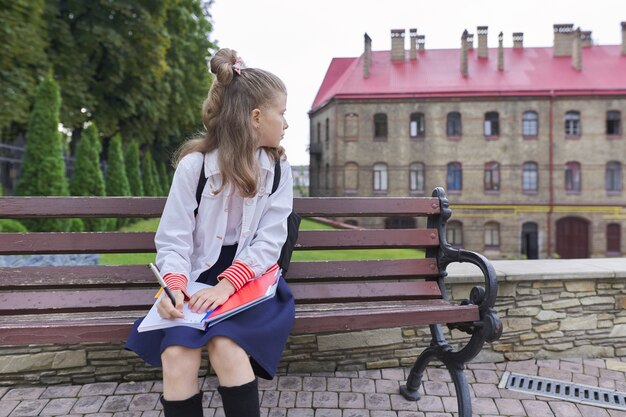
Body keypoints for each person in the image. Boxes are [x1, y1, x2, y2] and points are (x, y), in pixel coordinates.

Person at [124, 48, 295, 417]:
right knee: (176, 355)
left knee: (227, 348)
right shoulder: (194, 167)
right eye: (281, 113)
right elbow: (173, 239)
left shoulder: (278, 170)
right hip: (196, 278)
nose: (286, 123)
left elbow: (270, 241)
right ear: (255, 116)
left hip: (252, 281)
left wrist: (227, 286)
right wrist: (175, 286)